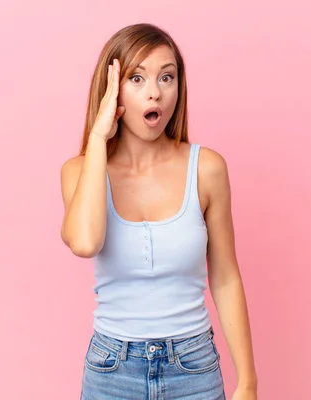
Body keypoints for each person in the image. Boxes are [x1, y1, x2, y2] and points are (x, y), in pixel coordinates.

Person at [60, 23, 258, 400]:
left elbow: (226, 277)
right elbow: (85, 242)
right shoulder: (78, 172)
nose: (155, 93)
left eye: (166, 77)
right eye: (136, 78)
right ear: (111, 90)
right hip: (111, 371)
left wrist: (247, 381)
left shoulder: (207, 169)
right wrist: (99, 137)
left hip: (193, 367)